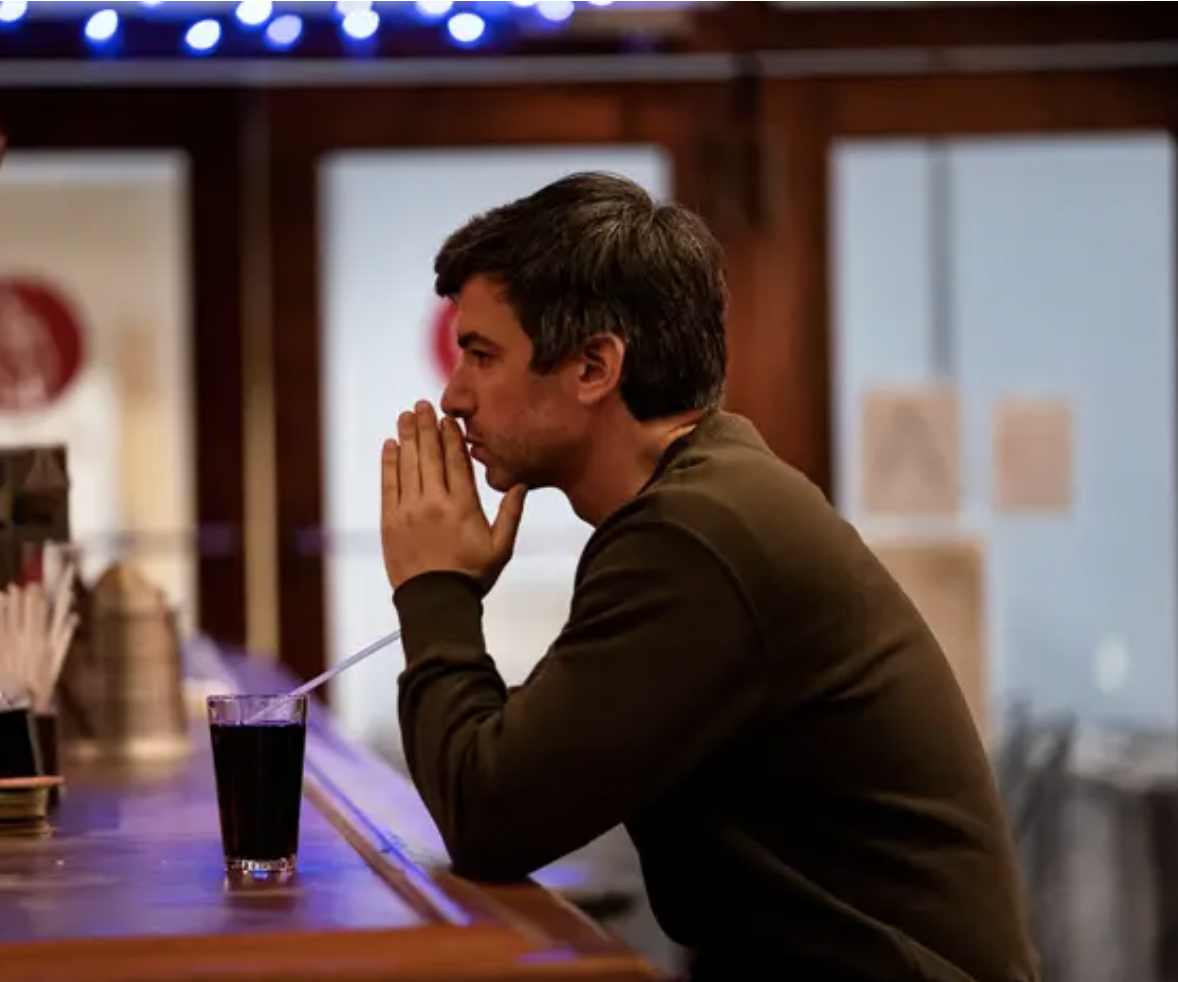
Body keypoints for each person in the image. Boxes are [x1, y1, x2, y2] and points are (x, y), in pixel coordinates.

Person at [378, 172, 1039, 981]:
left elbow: (488, 812)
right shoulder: (699, 502)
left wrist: (434, 587)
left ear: (594, 365)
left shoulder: (698, 536)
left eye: (481, 354)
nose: (453, 397)